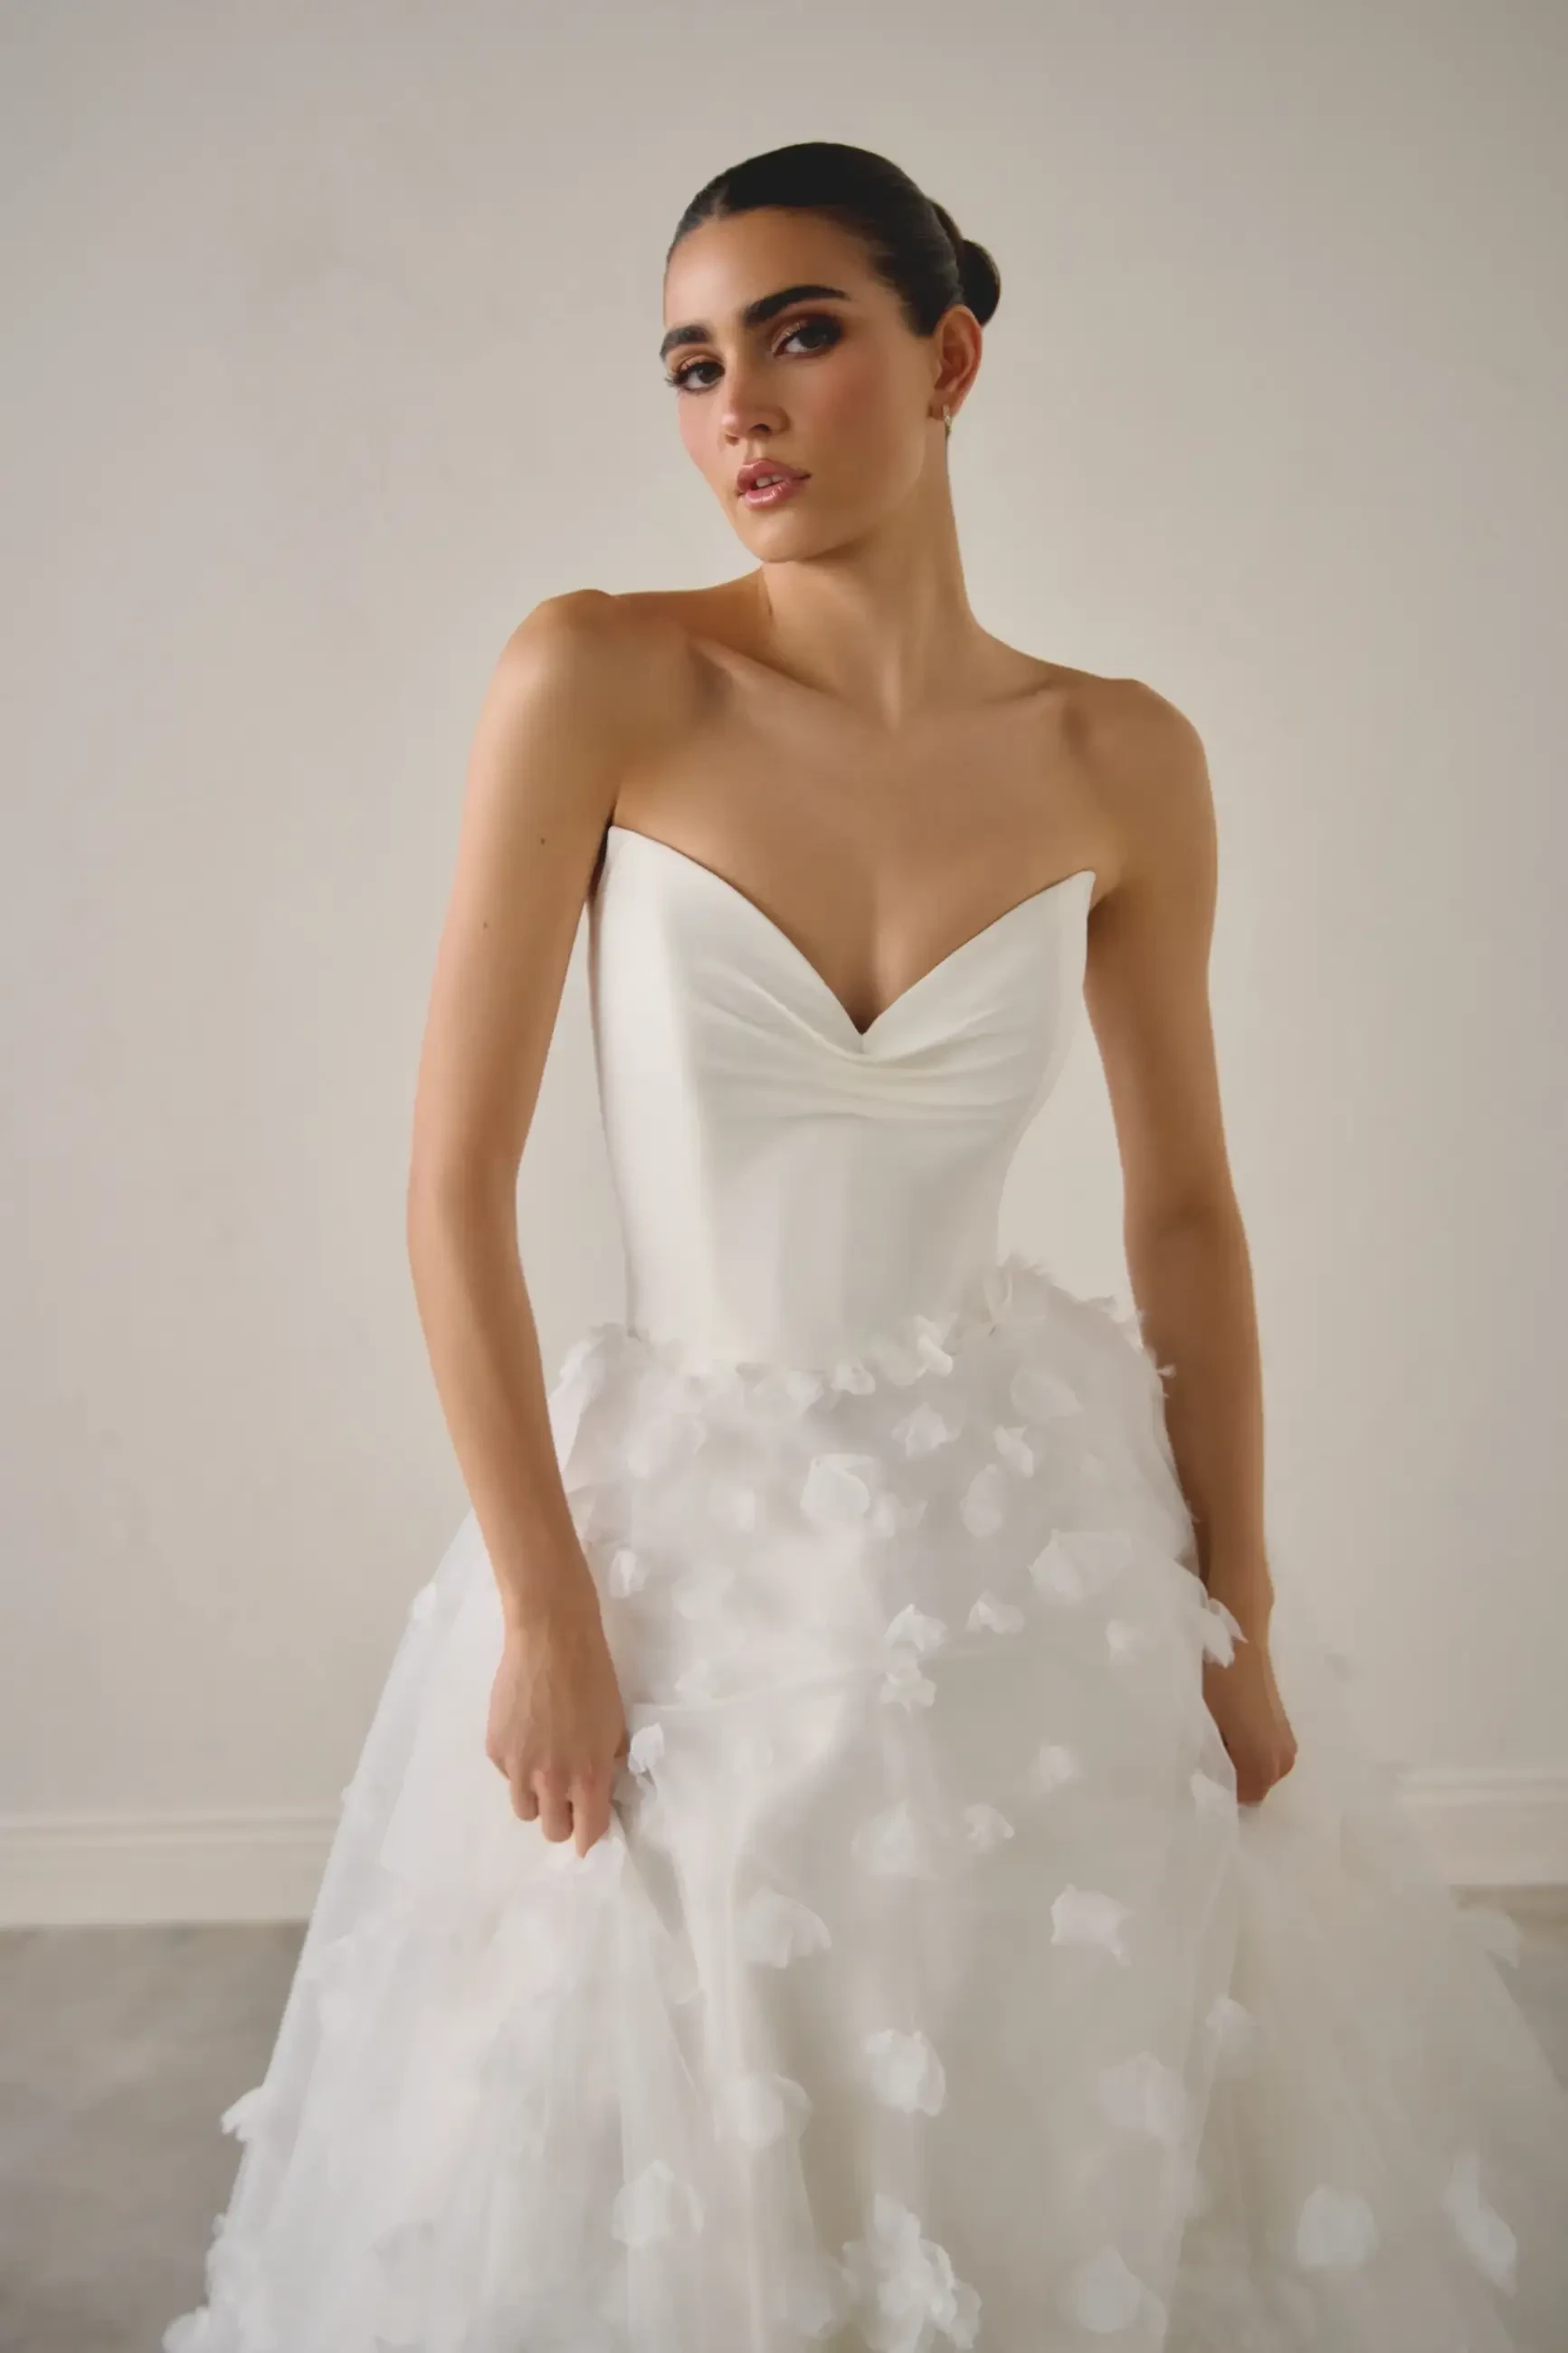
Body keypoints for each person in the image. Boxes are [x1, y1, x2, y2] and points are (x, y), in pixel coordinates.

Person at [165, 140, 1568, 2352]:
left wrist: (1237, 1604)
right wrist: (541, 1597)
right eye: (693, 363)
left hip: (1020, 1530)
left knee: (1047, 2082)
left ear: (950, 356)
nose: (741, 406)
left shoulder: (1119, 754)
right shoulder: (596, 679)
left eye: (802, 334)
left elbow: (1181, 1201)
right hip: (675, 1527)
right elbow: (450, 1182)